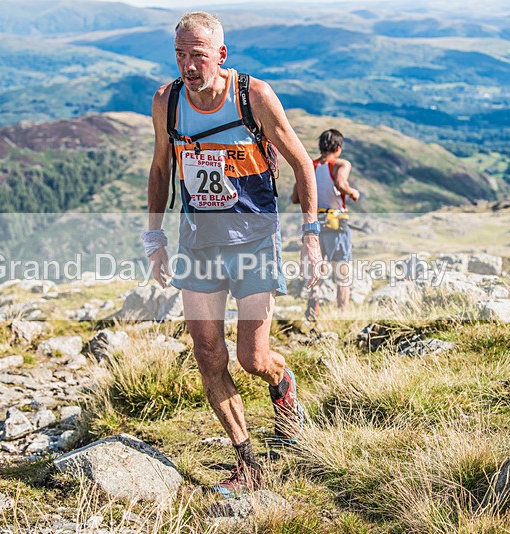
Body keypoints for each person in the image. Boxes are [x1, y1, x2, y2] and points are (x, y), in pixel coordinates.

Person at [142, 11, 323, 497]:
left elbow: (302, 163)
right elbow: (160, 168)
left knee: (252, 357)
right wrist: (154, 237)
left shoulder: (253, 96)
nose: (187, 65)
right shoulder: (168, 101)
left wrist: (310, 234)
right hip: (197, 242)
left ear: (220, 55)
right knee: (207, 353)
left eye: (197, 55)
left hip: (255, 241)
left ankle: (282, 385)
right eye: (179, 54)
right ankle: (248, 461)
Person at [292, 129, 359, 316]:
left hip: (314, 225)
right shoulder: (341, 164)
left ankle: (314, 297)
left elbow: (295, 197)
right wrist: (352, 192)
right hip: (336, 224)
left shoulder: (308, 166)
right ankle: (342, 313)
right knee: (342, 270)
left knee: (317, 266)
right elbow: (340, 183)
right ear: (338, 148)